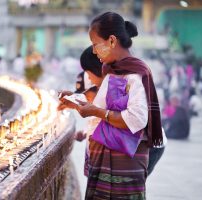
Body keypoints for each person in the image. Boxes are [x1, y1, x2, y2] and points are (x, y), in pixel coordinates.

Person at [60, 12, 163, 199]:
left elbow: (137, 119)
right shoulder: (112, 72)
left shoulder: (133, 74)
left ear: (112, 41)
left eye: (95, 44)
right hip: (105, 162)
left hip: (123, 167)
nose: (93, 51)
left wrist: (96, 111)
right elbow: (99, 109)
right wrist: (75, 102)